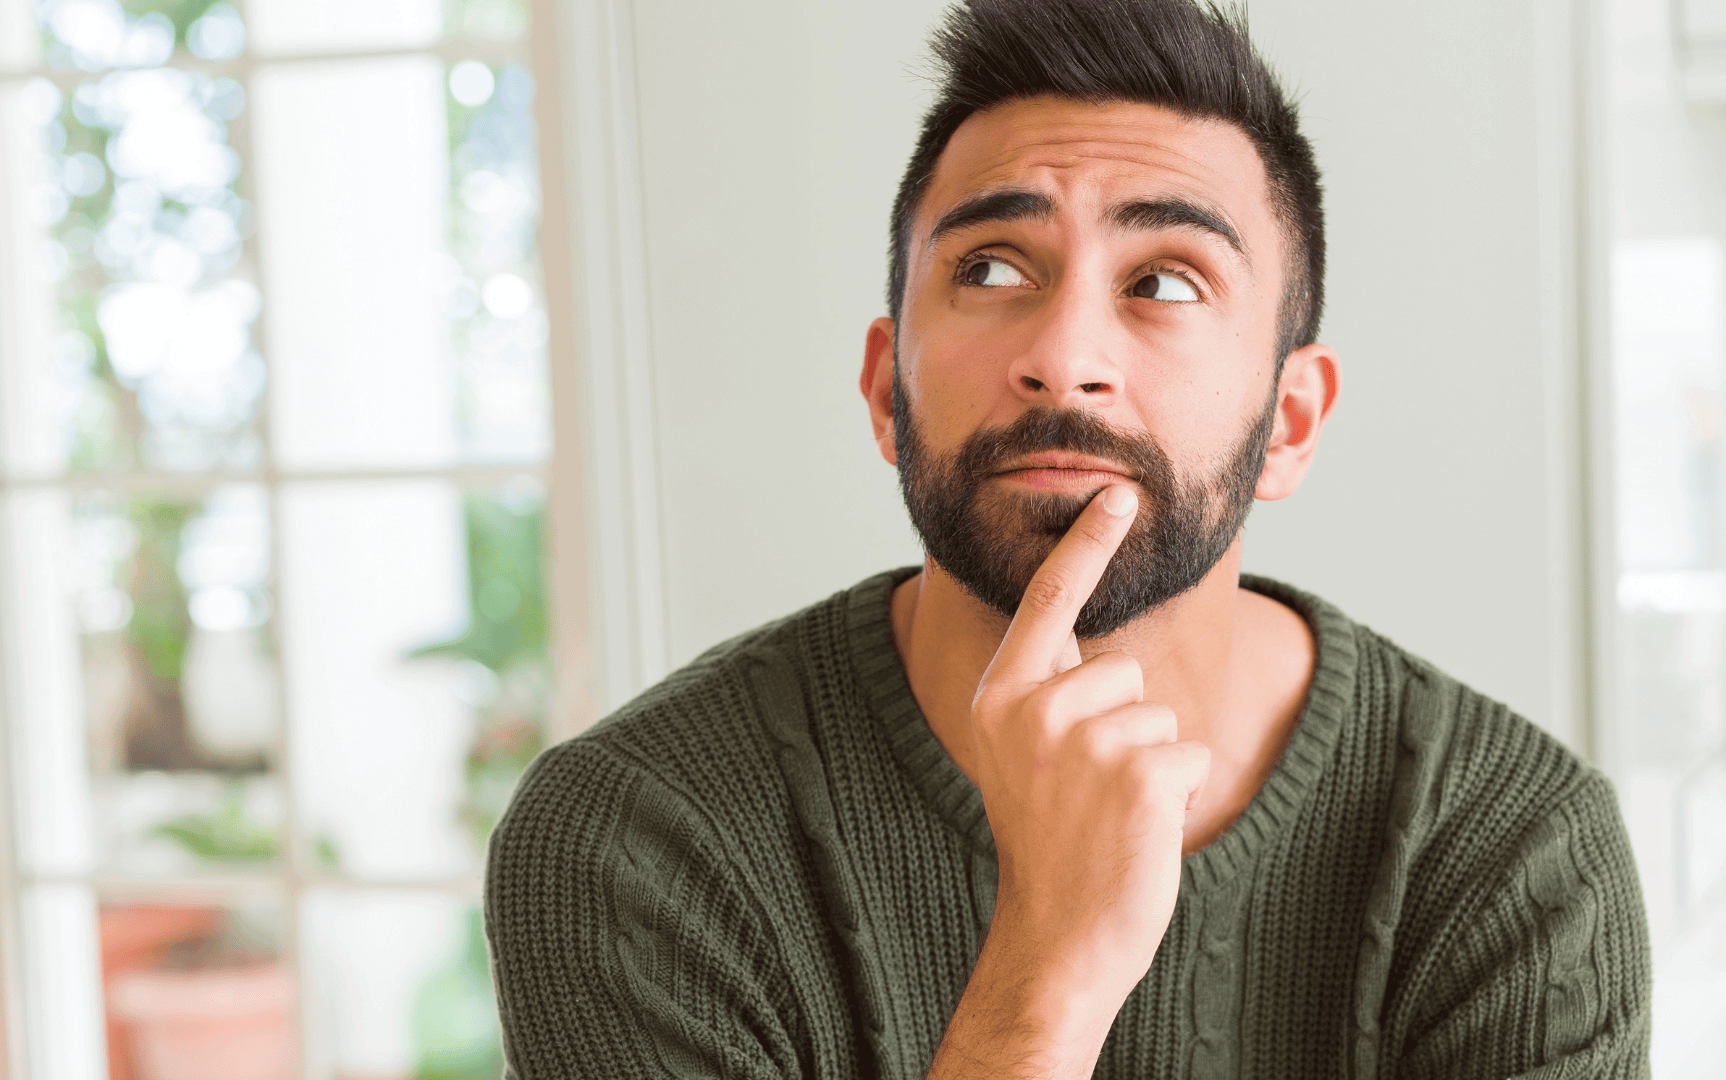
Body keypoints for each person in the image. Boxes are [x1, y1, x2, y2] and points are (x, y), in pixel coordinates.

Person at [484, 0, 1652, 1076]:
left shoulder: (1516, 851)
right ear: (890, 392)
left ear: (1288, 425)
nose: (1067, 355)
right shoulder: (632, 839)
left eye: (1168, 281)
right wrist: (1048, 971)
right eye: (993, 268)